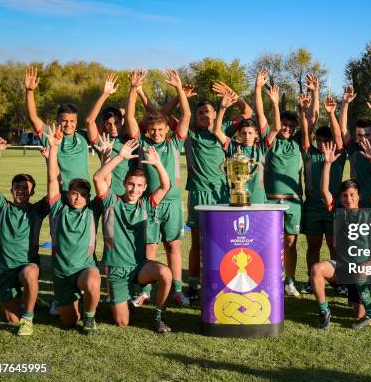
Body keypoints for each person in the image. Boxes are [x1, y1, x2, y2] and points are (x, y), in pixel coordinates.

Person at [125, 69, 192, 307]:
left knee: (173, 246)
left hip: (172, 202)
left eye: (161, 130)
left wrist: (179, 89)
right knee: (149, 248)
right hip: (150, 203)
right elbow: (131, 117)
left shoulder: (175, 142)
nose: (156, 133)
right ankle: (143, 291)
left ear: (167, 130)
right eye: (153, 130)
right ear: (148, 130)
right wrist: (134, 89)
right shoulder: (141, 143)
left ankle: (177, 290)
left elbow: (186, 115)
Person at [93, 139, 174, 333]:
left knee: (165, 273)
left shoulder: (145, 204)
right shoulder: (111, 201)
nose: (134, 189)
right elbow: (98, 178)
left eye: (139, 186)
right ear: (124, 183)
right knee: (122, 322)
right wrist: (120, 156)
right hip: (116, 269)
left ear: (145, 188)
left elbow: (165, 186)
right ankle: (124, 294)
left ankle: (159, 316)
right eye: (131, 184)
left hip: (140, 266)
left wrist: (157, 163)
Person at [183, 85, 252, 300]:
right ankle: (193, 285)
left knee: (222, 240)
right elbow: (168, 117)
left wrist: (234, 96)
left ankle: (223, 279)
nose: (204, 115)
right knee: (196, 242)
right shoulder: (190, 132)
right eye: (200, 112)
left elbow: (248, 113)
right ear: (196, 116)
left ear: (215, 114)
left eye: (208, 112)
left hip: (221, 194)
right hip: (198, 193)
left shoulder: (225, 129)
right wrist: (181, 97)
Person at [311, 140, 371, 330]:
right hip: (343, 266)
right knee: (317, 269)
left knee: (358, 314)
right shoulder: (337, 210)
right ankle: (324, 312)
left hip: (363, 269)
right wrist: (327, 163)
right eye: (344, 195)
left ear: (359, 196)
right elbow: (323, 190)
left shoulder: (369, 212)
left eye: (352, 195)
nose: (348, 198)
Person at [0, 137, 48, 336]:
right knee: (12, 319)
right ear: (11, 190)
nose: (21, 191)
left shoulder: (37, 210)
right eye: (17, 187)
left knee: (30, 273)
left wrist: (48, 158)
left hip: (25, 266)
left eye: (26, 188)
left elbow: (57, 185)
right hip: (4, 269)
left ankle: (28, 319)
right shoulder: (2, 207)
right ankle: (32, 297)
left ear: (32, 192)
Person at [44, 125, 101, 334]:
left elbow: (104, 182)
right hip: (62, 274)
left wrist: (105, 156)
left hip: (84, 269)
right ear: (67, 194)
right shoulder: (58, 208)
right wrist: (53, 149)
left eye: (83, 194)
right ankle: (74, 300)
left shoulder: (93, 210)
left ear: (88, 197)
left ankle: (89, 317)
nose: (78, 198)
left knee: (93, 281)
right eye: (74, 193)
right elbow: (52, 179)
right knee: (68, 322)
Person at [255, 70, 303, 296]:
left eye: (290, 126)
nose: (286, 128)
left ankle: (290, 280)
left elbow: (310, 121)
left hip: (294, 203)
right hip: (271, 202)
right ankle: (269, 277)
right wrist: (264, 95)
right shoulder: (271, 142)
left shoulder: (297, 144)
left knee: (291, 243)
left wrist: (311, 96)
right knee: (269, 244)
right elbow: (263, 117)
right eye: (284, 124)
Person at [299, 92, 346, 295]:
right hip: (312, 206)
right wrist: (303, 110)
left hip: (333, 206)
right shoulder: (309, 153)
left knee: (334, 246)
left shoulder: (338, 155)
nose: (322, 143)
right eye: (318, 139)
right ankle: (312, 280)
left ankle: (339, 281)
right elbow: (306, 131)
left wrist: (332, 114)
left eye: (325, 140)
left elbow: (338, 137)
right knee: (313, 246)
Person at [25, 66, 90, 192]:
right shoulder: (51, 136)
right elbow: (33, 118)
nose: (68, 124)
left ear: (76, 121)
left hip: (85, 195)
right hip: (63, 194)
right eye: (64, 120)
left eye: (72, 121)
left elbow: (93, 122)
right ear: (58, 120)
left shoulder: (83, 135)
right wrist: (29, 91)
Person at [213, 73, 270, 205]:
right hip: (236, 199)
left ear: (256, 133)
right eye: (244, 133)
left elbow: (259, 112)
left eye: (250, 133)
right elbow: (217, 131)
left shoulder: (261, 147)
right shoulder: (233, 147)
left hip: (258, 199)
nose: (247, 136)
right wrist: (222, 108)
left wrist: (258, 88)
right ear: (239, 134)